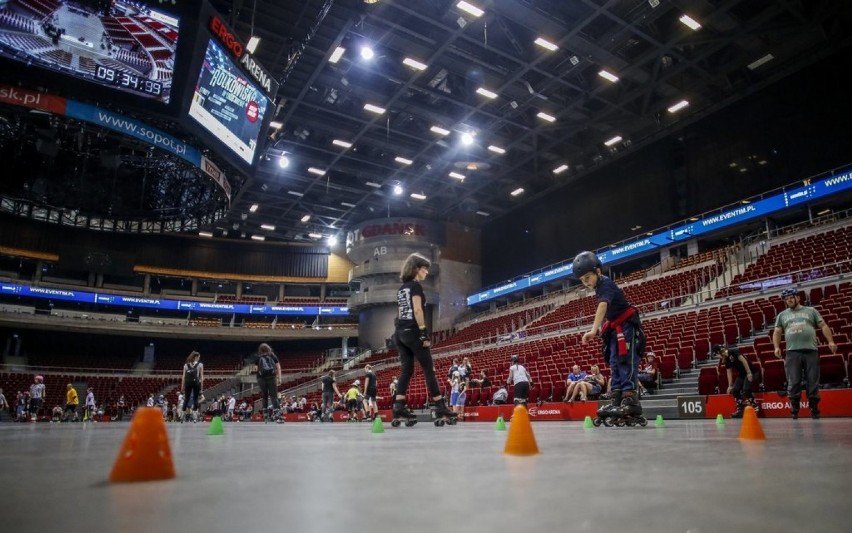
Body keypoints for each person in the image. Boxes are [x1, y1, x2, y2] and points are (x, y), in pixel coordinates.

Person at [575, 251, 645, 420]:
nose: (586, 283)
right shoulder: (599, 287)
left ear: (598, 271)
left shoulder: (605, 284)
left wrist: (593, 330)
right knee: (614, 362)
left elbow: (602, 307)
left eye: (587, 277)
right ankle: (617, 399)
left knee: (626, 361)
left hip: (628, 327)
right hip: (615, 329)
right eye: (582, 280)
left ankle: (631, 400)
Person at [391, 252, 456, 421]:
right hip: (413, 332)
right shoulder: (415, 287)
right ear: (416, 269)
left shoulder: (401, 289)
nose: (427, 272)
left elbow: (399, 313)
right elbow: (418, 310)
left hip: (400, 333)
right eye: (425, 269)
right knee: (429, 370)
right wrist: (423, 333)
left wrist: (401, 330)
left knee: (406, 370)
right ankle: (440, 406)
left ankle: (398, 406)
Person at [773, 287, 837, 419]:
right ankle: (795, 409)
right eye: (787, 299)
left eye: (791, 297)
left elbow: (823, 326)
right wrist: (776, 347)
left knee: (812, 380)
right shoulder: (782, 315)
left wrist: (830, 341)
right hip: (792, 352)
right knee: (794, 380)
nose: (789, 300)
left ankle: (814, 409)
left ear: (798, 297)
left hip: (811, 350)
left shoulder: (811, 311)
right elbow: (777, 332)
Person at [712, 345, 761, 418]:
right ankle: (741, 409)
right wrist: (730, 385)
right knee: (734, 390)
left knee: (746, 389)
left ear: (719, 352)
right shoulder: (726, 359)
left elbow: (744, 360)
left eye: (717, 355)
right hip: (742, 374)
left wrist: (749, 373)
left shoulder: (733, 351)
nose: (718, 357)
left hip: (752, 371)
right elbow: (729, 371)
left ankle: (755, 407)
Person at [254, 343, 282, 420]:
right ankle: (278, 413)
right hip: (272, 377)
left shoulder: (258, 357)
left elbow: (256, 369)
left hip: (261, 378)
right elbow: (278, 367)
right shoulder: (272, 355)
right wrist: (279, 378)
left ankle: (265, 414)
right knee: (274, 396)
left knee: (264, 395)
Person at [181, 351, 204, 423]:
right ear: (196, 357)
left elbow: (183, 377)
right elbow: (201, 376)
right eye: (199, 357)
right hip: (196, 383)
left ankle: (182, 416)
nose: (199, 358)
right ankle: (194, 417)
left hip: (188, 383)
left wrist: (182, 386)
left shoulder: (186, 365)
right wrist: (202, 387)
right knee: (195, 399)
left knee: (186, 399)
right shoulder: (200, 365)